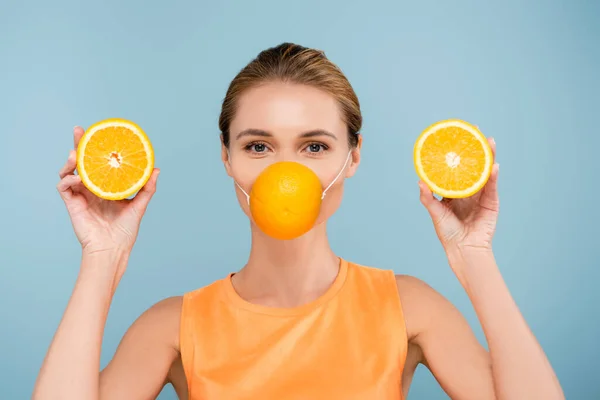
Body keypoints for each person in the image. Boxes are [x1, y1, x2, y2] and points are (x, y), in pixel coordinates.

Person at [33, 43, 564, 400]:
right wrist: (102, 257)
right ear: (227, 158)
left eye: (314, 146)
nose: (285, 171)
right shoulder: (171, 326)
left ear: (352, 158)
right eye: (258, 145)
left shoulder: (409, 307)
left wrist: (474, 256)